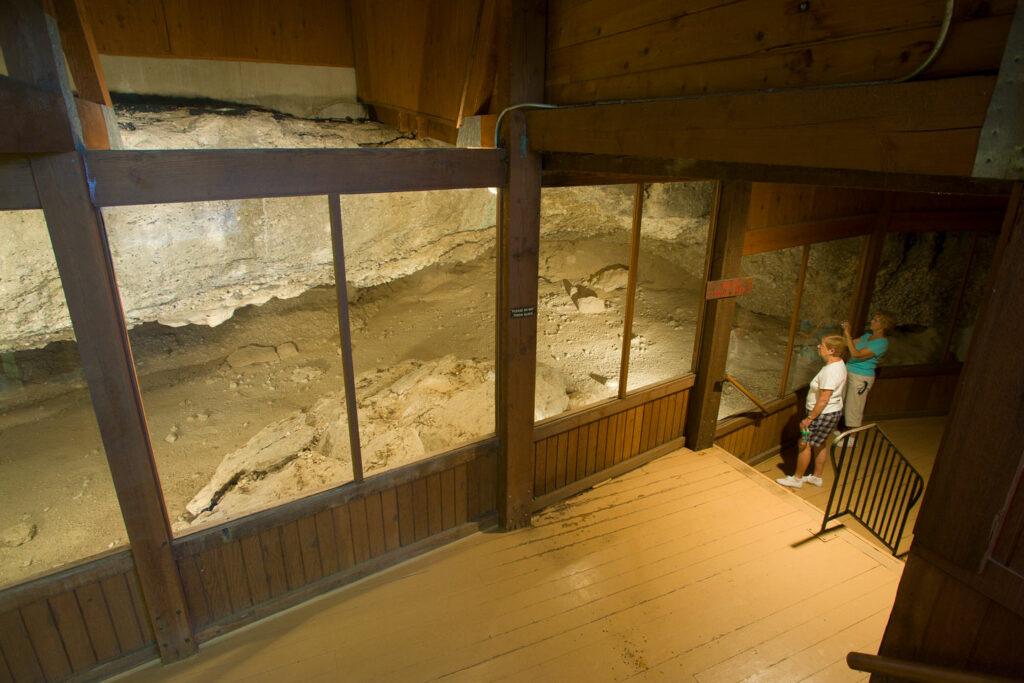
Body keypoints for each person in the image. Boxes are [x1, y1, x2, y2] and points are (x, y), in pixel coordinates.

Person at [777, 335, 848, 489]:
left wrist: (809, 418)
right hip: (831, 412)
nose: (818, 347)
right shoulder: (839, 364)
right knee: (819, 444)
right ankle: (816, 476)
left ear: (832, 350)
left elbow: (823, 399)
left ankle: (797, 479)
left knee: (805, 444)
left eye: (822, 345)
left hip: (821, 414)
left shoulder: (830, 372)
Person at [840, 311, 895, 438]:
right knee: (842, 401)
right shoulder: (868, 335)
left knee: (854, 406)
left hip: (861, 376)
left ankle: (852, 438)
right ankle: (843, 430)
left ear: (883, 325)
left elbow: (856, 354)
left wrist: (848, 332)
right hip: (848, 370)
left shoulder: (882, 343)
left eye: (876, 320)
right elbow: (849, 343)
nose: (872, 321)